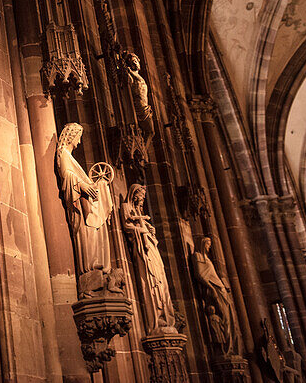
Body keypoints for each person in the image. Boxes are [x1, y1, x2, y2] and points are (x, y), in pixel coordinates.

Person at [55, 122, 113, 293]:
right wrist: (82, 185)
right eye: (78, 138)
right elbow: (67, 176)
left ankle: (96, 266)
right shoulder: (64, 154)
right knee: (86, 235)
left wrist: (97, 185)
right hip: (80, 206)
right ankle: (89, 269)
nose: (79, 142)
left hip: (84, 202)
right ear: (71, 136)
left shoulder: (70, 157)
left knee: (93, 235)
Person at [121, 184, 177, 333]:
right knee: (151, 279)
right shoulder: (126, 206)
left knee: (160, 278)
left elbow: (142, 223)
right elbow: (127, 225)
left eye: (144, 196)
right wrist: (141, 228)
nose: (143, 198)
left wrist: (149, 230)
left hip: (151, 246)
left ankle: (165, 315)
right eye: (141, 195)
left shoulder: (140, 211)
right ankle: (156, 317)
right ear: (134, 193)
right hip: (142, 247)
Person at [189, 236, 239, 356]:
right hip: (214, 290)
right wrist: (211, 287)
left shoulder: (208, 259)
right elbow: (200, 274)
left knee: (230, 318)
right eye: (207, 243)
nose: (209, 246)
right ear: (201, 244)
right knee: (224, 317)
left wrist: (223, 284)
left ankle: (231, 346)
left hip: (220, 288)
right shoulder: (197, 256)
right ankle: (226, 348)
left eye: (210, 243)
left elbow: (213, 275)